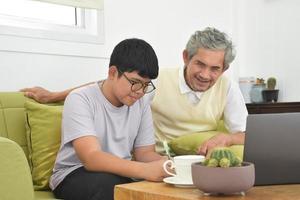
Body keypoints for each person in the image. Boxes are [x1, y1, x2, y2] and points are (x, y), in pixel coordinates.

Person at [22, 27, 247, 157]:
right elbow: (108, 86)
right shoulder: (155, 83)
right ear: (186, 58)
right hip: (158, 160)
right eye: (200, 64)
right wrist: (53, 96)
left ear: (224, 69)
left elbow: (245, 134)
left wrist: (225, 138)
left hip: (202, 161)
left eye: (215, 68)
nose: (205, 75)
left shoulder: (227, 87)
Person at [38, 38, 168, 200]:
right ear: (113, 73)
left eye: (146, 85)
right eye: (135, 82)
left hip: (120, 174)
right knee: (111, 187)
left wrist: (169, 165)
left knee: (160, 185)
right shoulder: (80, 99)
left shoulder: (141, 103)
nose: (140, 91)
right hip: (74, 173)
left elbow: (145, 153)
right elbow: (91, 158)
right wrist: (144, 170)